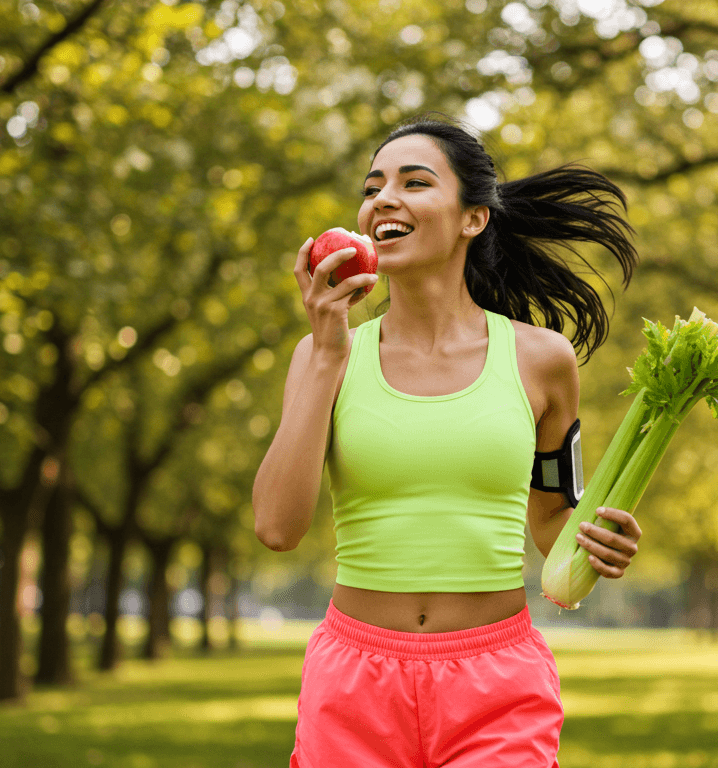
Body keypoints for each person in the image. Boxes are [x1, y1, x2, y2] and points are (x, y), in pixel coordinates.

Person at [253, 112, 642, 768]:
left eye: (414, 182)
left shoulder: (540, 360)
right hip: (352, 682)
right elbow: (276, 527)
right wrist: (325, 350)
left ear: (473, 218)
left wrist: (597, 541)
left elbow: (552, 516)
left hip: (496, 683)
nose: (383, 198)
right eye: (372, 186)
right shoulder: (324, 356)